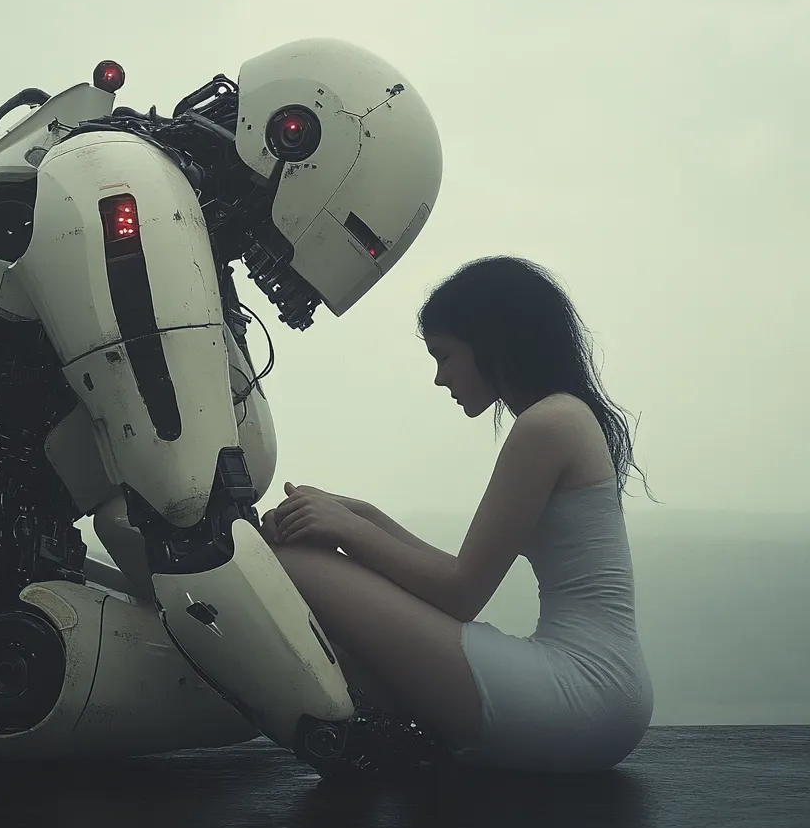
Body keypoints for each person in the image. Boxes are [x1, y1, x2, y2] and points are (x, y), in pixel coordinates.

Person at [260, 255, 655, 772]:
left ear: (492, 342)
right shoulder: (563, 417)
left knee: (291, 564)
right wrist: (359, 515)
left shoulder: (548, 424)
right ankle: (391, 738)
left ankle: (378, 740)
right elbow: (457, 575)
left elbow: (460, 593)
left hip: (580, 693)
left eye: (445, 356)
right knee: (326, 603)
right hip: (602, 697)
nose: (439, 377)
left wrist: (346, 530)